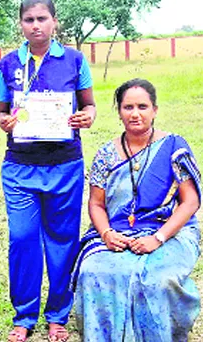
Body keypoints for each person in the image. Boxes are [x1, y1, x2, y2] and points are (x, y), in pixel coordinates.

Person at [0, 0, 97, 342]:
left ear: (55, 21)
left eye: (42, 18)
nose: (35, 25)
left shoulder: (74, 60)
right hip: (20, 168)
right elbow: (0, 113)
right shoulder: (8, 64)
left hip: (65, 164)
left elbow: (90, 106)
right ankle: (24, 316)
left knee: (62, 240)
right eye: (28, 20)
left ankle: (57, 315)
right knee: (22, 239)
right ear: (20, 24)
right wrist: (5, 122)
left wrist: (88, 116)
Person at [72, 78, 201, 341]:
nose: (135, 113)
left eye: (142, 106)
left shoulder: (174, 148)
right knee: (95, 272)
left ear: (155, 110)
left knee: (157, 280)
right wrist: (107, 234)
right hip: (116, 233)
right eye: (127, 107)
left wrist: (158, 238)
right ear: (119, 112)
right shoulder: (106, 154)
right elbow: (96, 204)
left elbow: (190, 202)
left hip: (170, 233)